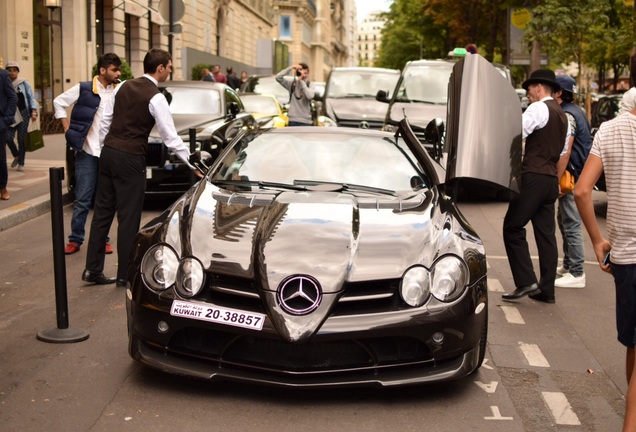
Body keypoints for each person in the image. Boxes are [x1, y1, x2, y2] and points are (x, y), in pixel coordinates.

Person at [82, 49, 195, 286]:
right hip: (131, 158)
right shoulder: (156, 97)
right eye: (169, 66)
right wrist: (191, 162)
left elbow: (105, 121)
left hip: (109, 153)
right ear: (161, 68)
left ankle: (92, 269)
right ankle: (125, 274)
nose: (170, 70)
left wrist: (106, 147)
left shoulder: (121, 86)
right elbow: (170, 137)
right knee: (129, 217)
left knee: (102, 212)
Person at [574, 105, 636, 432]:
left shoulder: (609, 130)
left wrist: (598, 242)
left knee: (632, 343)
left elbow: (582, 190)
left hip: (625, 259)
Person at [502, 69, 569, 304]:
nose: (528, 93)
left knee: (512, 227)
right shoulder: (562, 115)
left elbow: (516, 132)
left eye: (530, 88)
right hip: (550, 179)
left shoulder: (538, 108)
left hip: (533, 176)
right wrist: (554, 180)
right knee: (546, 235)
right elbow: (562, 153)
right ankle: (547, 290)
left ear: (539, 87)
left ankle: (526, 280)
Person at [53, 52, 122, 256]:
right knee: (83, 198)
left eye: (118, 69)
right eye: (114, 69)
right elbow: (58, 102)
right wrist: (67, 129)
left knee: (105, 199)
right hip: (87, 151)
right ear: (102, 70)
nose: (117, 73)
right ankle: (75, 239)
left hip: (109, 153)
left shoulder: (119, 90)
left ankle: (103, 240)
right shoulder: (84, 88)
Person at [553, 74, 592, 288]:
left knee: (571, 223)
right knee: (565, 220)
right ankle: (568, 265)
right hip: (578, 173)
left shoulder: (567, 115)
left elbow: (565, 152)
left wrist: (557, 180)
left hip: (571, 175)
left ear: (559, 93)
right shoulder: (577, 111)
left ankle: (577, 272)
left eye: (552, 89)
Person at [5, 61, 38, 172]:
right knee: (8, 137)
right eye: (9, 70)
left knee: (21, 139)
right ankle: (17, 155)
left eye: (14, 70)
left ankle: (21, 162)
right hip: (10, 114)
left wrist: (33, 111)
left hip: (23, 113)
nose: (12, 72)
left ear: (18, 71)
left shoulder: (24, 83)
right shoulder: (4, 83)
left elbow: (30, 97)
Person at [0, 68, 18, 200]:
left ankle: (2, 188)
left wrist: (6, 120)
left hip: (0, 122)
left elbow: (13, 97)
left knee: (0, 158)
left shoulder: (2, 75)